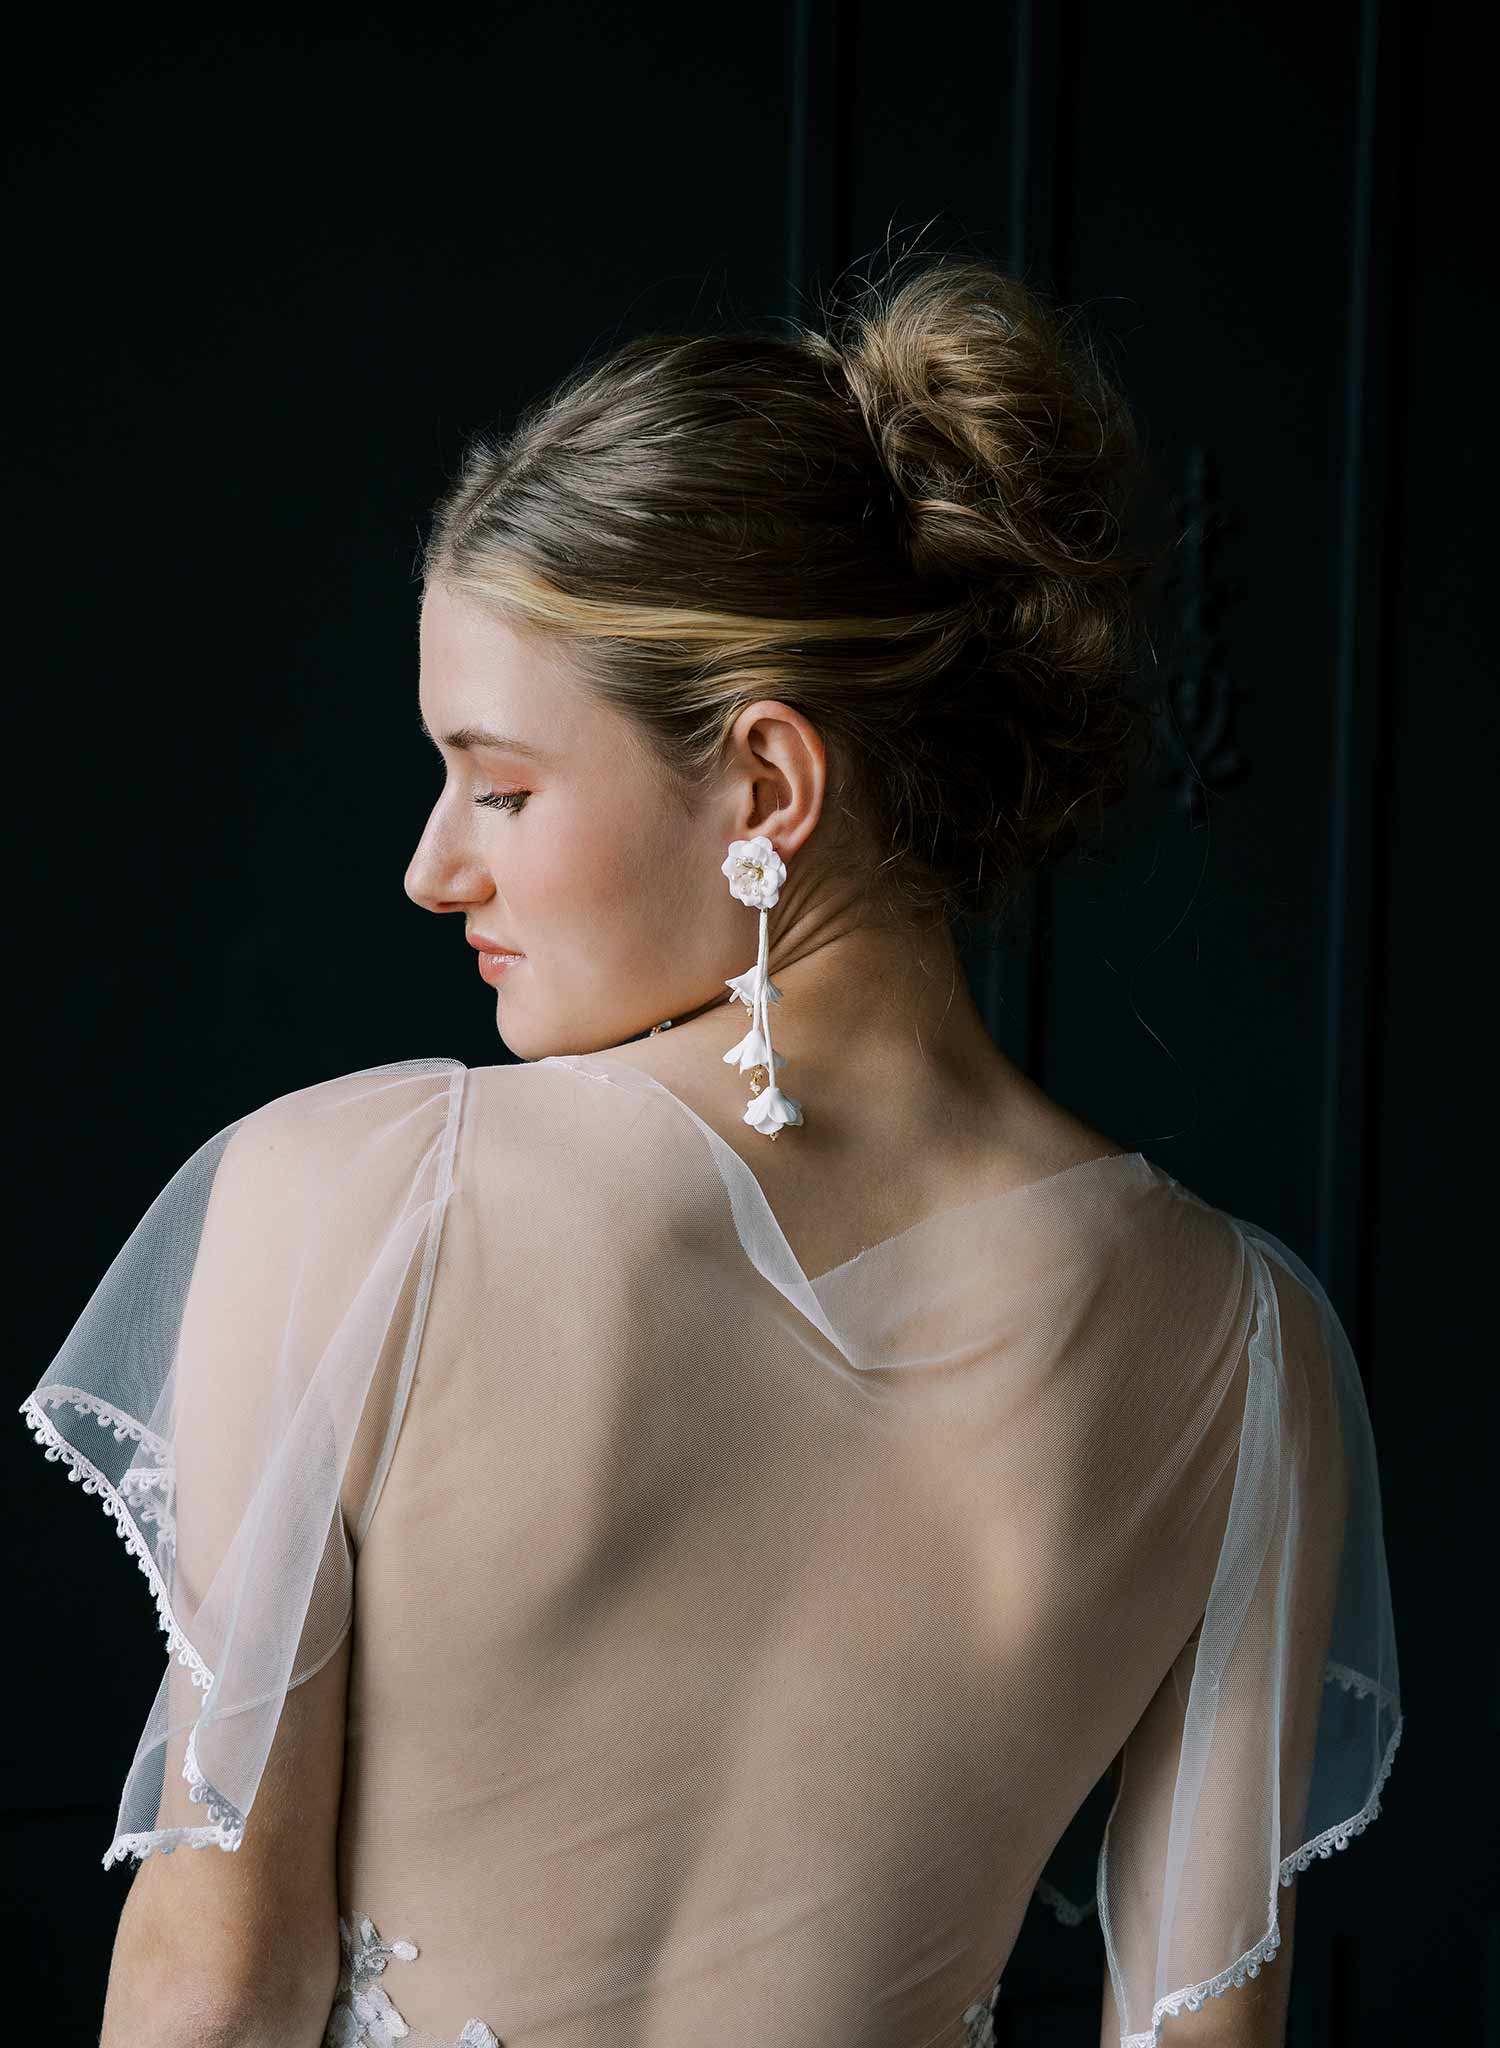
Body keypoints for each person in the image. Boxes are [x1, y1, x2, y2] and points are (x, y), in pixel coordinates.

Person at [21, 258, 1401, 2048]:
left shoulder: (370, 1197)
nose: (438, 868)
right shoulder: (1241, 1351)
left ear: (765, 785)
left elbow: (219, 1972)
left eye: (500, 785)